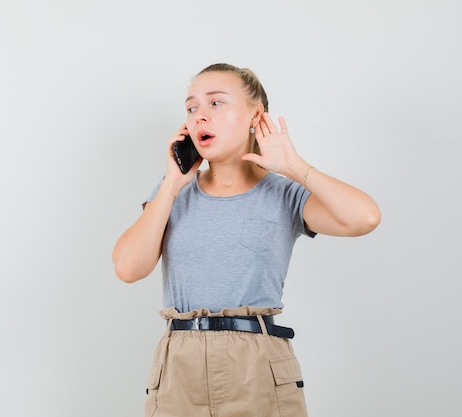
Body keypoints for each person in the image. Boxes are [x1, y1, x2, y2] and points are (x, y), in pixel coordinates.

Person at [111, 63, 381, 417]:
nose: (199, 117)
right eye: (191, 108)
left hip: (257, 362)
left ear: (256, 115)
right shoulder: (171, 194)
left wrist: (294, 166)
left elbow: (365, 217)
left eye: (216, 103)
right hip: (179, 366)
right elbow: (128, 268)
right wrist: (171, 185)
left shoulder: (285, 194)